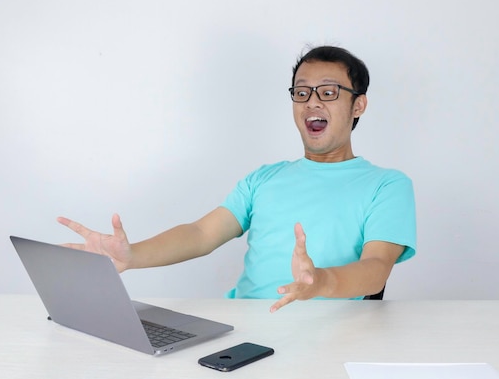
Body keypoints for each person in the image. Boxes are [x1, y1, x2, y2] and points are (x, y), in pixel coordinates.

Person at [58, 45, 416, 313]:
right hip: (243, 332)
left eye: (328, 92)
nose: (311, 102)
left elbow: (375, 269)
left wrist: (320, 282)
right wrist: (132, 255)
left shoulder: (387, 185)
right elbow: (201, 234)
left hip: (332, 334)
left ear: (358, 105)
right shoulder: (264, 178)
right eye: (301, 92)